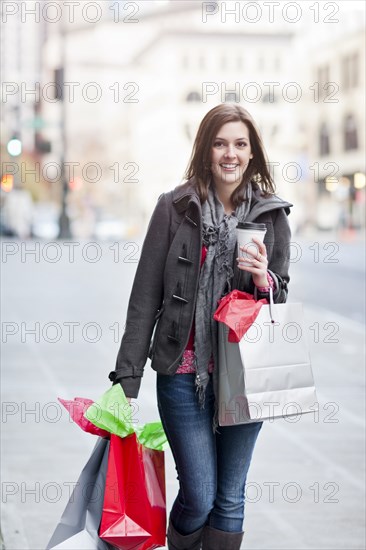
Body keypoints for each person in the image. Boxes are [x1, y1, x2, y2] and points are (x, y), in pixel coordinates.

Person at [109, 104, 293, 550]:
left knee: (230, 498)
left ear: (252, 154)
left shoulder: (272, 215)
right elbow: (145, 297)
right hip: (182, 372)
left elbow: (280, 296)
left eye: (240, 144)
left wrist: (262, 277)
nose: (230, 153)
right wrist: (126, 381)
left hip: (244, 373)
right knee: (200, 495)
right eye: (220, 143)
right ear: (206, 149)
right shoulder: (174, 207)